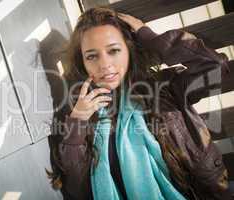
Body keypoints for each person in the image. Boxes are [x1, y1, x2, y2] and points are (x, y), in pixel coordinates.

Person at [47, 7, 231, 200]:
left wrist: (149, 36)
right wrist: (77, 122)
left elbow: (214, 67)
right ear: (82, 61)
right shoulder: (80, 111)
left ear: (129, 49)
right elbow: (78, 190)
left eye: (114, 50)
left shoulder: (166, 89)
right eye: (92, 56)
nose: (105, 64)